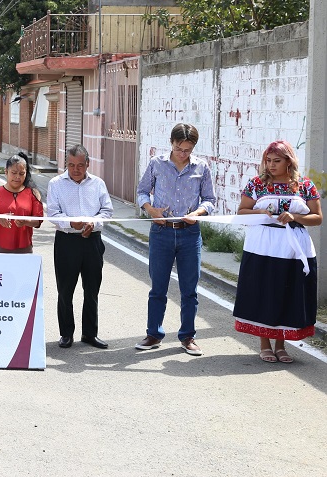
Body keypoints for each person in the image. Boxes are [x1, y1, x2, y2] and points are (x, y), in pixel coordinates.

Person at [233, 140, 321, 364]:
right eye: (268, 161)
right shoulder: (257, 184)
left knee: (288, 292)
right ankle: (265, 344)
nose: (271, 165)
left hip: (293, 247)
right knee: (264, 291)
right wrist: (260, 211)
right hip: (263, 246)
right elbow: (242, 211)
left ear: (288, 162)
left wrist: (295, 217)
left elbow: (317, 218)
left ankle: (281, 345)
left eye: (277, 161)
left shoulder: (304, 185)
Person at [135, 123, 215, 356]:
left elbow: (209, 199)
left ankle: (188, 336)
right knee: (158, 287)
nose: (183, 153)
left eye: (188, 150)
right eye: (179, 148)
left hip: (190, 233)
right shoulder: (157, 164)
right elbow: (142, 192)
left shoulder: (202, 167)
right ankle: (154, 334)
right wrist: (152, 210)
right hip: (162, 232)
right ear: (172, 143)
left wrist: (197, 214)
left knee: (189, 289)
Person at [47, 145, 113, 349]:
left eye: (80, 165)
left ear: (88, 164)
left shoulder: (98, 184)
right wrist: (70, 223)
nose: (76, 170)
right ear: (66, 163)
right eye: (71, 165)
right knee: (65, 290)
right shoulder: (56, 184)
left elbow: (107, 210)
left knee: (92, 290)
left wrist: (94, 223)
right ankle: (66, 333)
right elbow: (52, 213)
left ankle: (90, 334)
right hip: (67, 242)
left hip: (92, 241)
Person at [0, 152, 43, 254]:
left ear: (26, 173)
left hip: (24, 247)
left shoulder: (33, 193)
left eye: (21, 173)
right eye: (14, 173)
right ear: (6, 172)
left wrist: (26, 221)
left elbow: (38, 221)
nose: (17, 177)